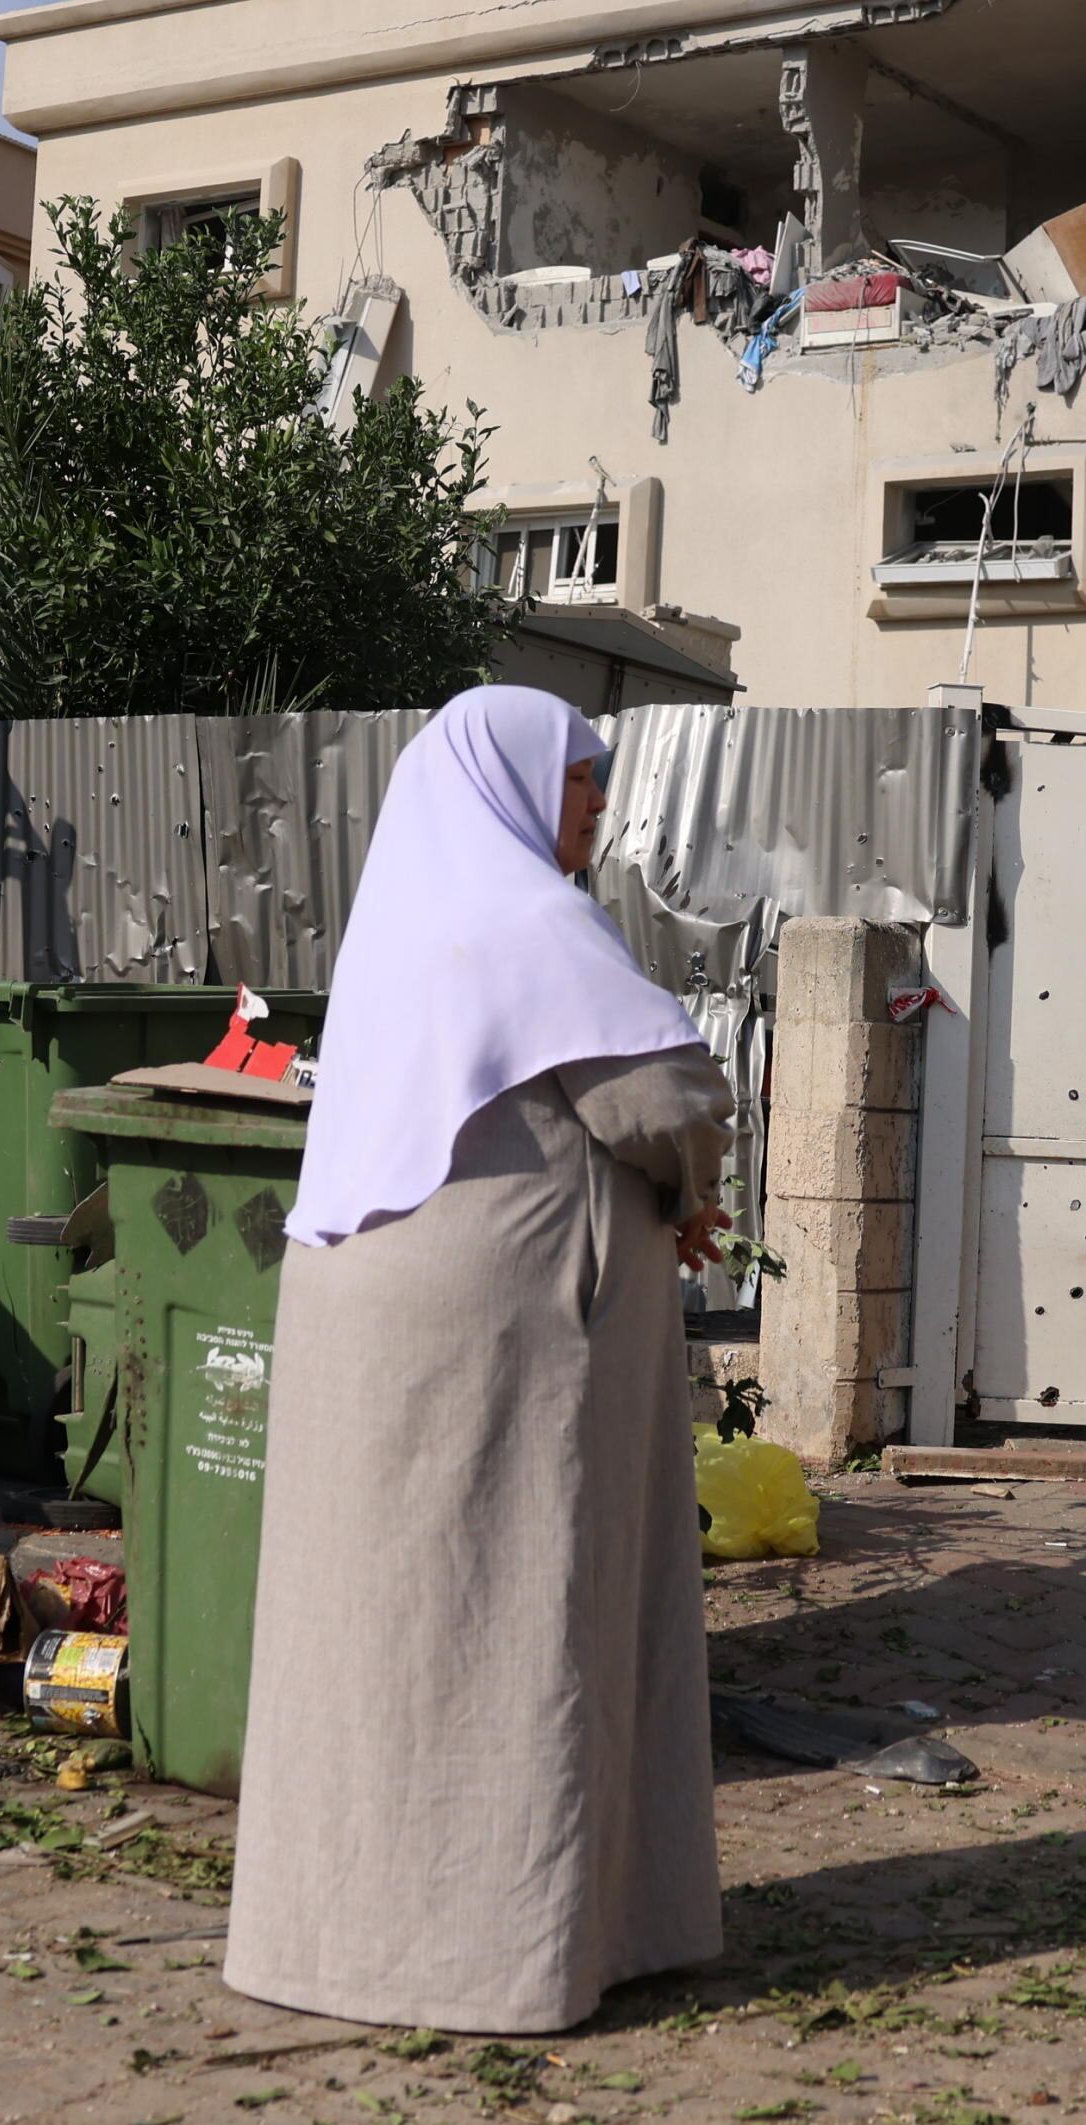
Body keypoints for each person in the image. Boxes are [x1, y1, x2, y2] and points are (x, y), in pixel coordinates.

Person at [223, 686, 737, 2034]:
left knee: (381, 1626)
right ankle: (494, 1951)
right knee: (512, 1614)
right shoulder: (528, 921)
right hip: (501, 1342)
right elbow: (667, 1095)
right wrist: (688, 1195)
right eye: (578, 779)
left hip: (371, 1324)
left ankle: (332, 1939)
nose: (596, 804)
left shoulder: (405, 924)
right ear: (511, 779)